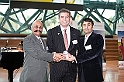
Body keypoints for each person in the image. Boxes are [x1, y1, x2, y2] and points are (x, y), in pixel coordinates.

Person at [46, 8, 81, 82]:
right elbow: (49, 49)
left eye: (67, 17)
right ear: (58, 19)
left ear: (70, 19)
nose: (64, 19)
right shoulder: (51, 32)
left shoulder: (77, 33)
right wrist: (54, 55)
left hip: (71, 69)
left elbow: (80, 50)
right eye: (62, 17)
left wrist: (74, 58)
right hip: (56, 68)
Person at [77, 18, 104, 82]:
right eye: (84, 25)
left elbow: (94, 53)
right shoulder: (80, 40)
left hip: (94, 73)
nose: (86, 27)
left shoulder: (98, 37)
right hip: (82, 73)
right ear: (82, 27)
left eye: (89, 25)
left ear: (92, 26)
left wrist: (76, 59)